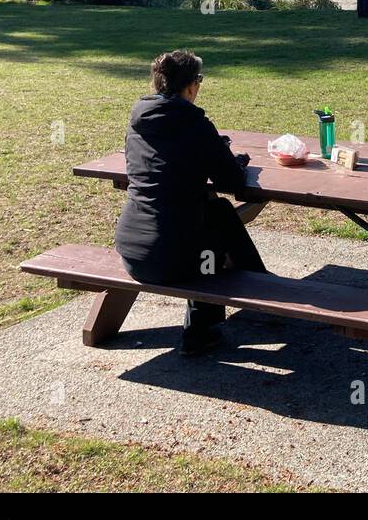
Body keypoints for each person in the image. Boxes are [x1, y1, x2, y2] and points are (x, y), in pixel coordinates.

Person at [114, 50, 267, 356]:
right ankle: (210, 325)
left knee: (216, 212)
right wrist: (236, 161)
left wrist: (214, 153)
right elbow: (232, 183)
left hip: (131, 249)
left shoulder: (138, 122)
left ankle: (256, 287)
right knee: (211, 238)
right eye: (199, 80)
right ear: (191, 86)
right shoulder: (194, 123)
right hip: (170, 258)